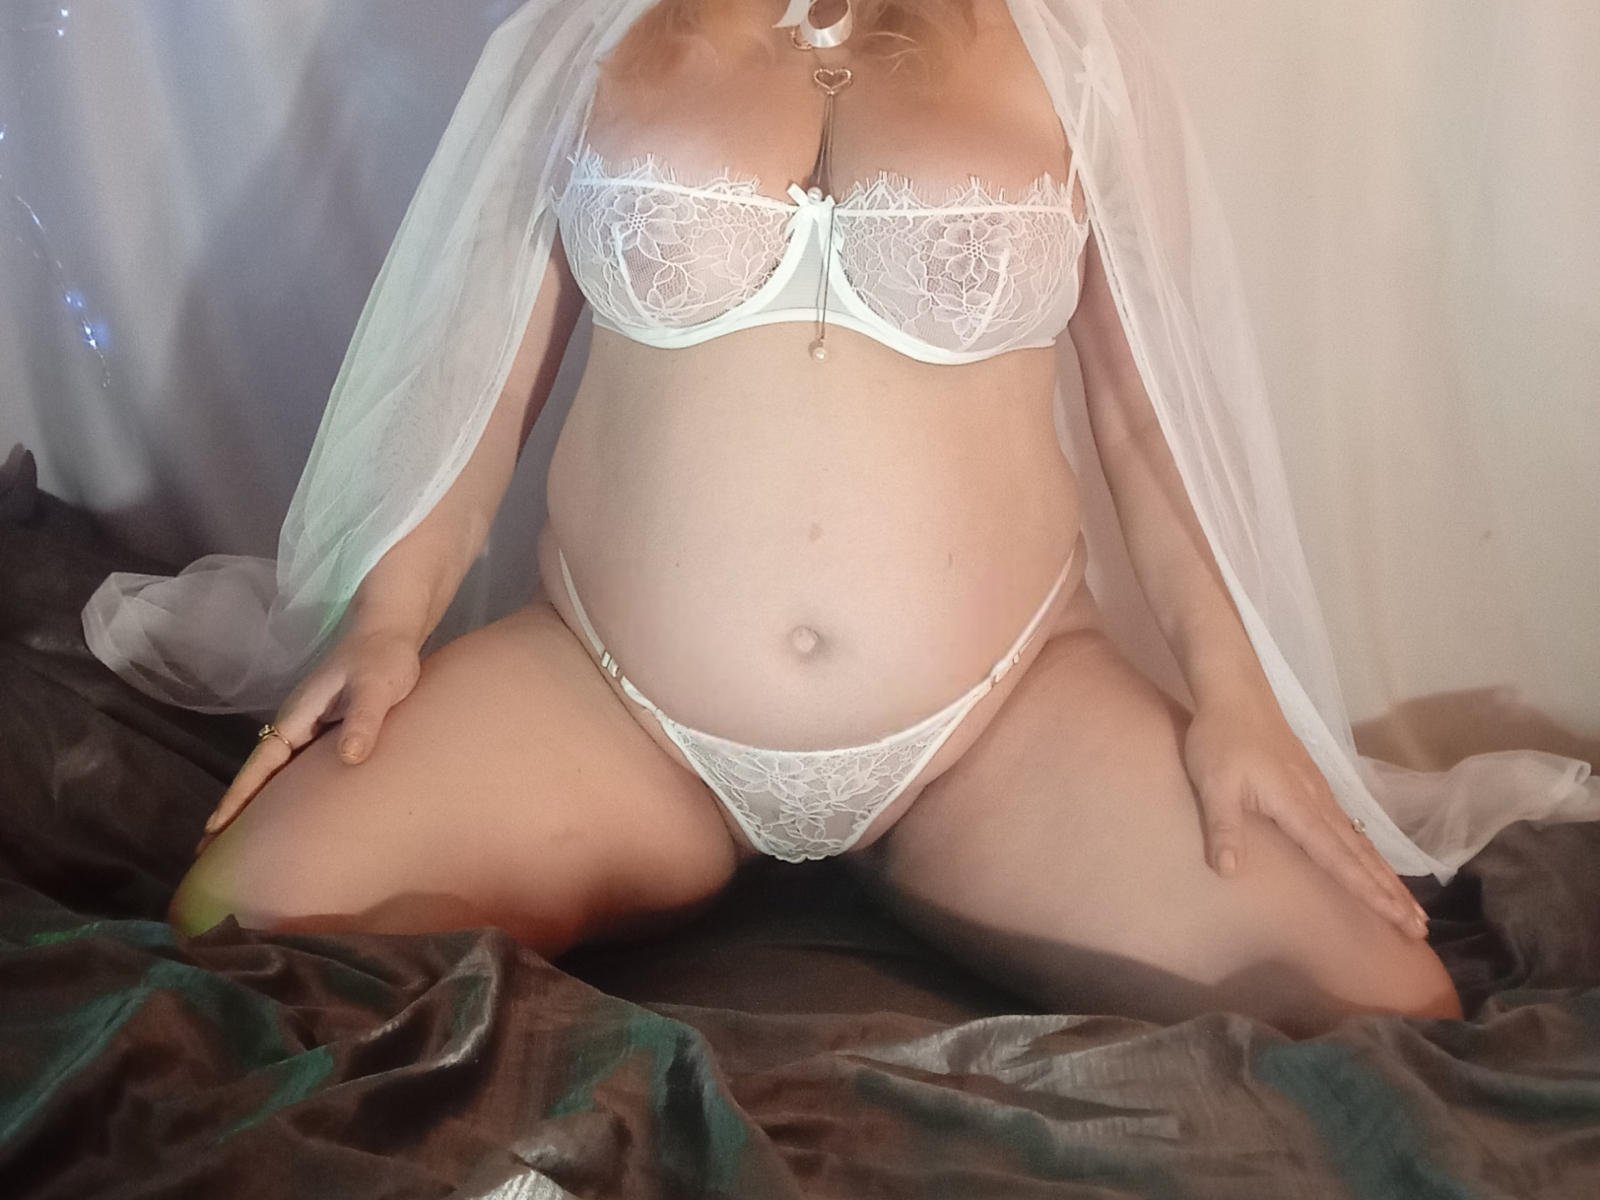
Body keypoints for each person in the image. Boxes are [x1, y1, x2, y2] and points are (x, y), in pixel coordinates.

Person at [103, 0, 1595, 1037]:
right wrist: (391, 618)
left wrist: (1235, 700)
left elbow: (1150, 426)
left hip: (996, 727)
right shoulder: (584, 43)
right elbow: (474, 389)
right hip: (616, 710)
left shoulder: (1067, 55)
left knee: (1384, 1002)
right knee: (244, 908)